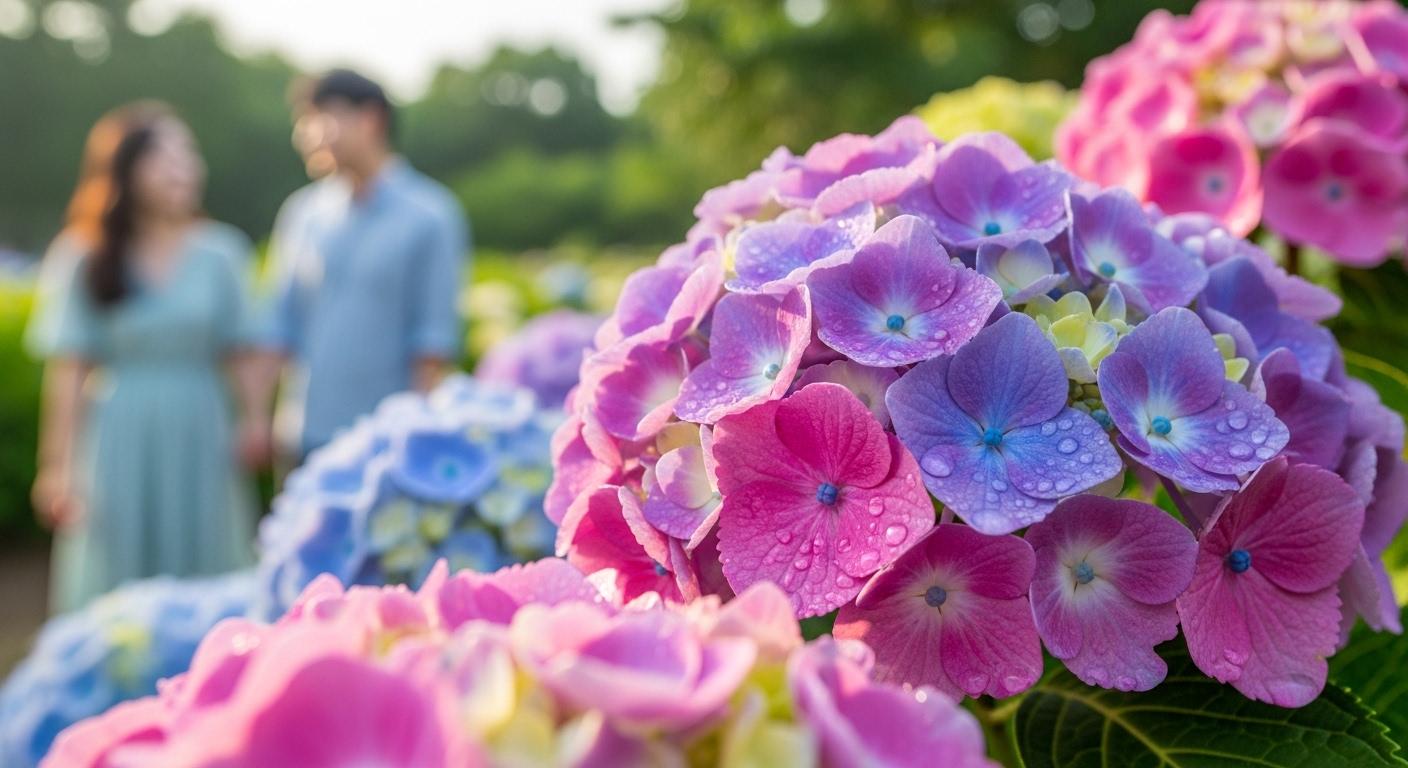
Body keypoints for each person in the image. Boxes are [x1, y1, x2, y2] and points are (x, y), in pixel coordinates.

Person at [28, 102, 266, 613]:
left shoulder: (223, 253)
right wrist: (56, 467)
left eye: (190, 154)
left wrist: (255, 419)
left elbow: (243, 351)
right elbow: (70, 369)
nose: (185, 168)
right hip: (119, 429)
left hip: (201, 422)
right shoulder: (85, 256)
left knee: (207, 553)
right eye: (167, 155)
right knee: (116, 564)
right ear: (126, 169)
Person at [264, 69, 468, 460]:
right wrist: (262, 418)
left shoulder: (431, 215)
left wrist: (418, 443)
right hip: (305, 433)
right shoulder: (302, 213)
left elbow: (432, 343)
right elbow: (281, 323)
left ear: (370, 119)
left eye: (317, 117)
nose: (305, 135)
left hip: (386, 444)